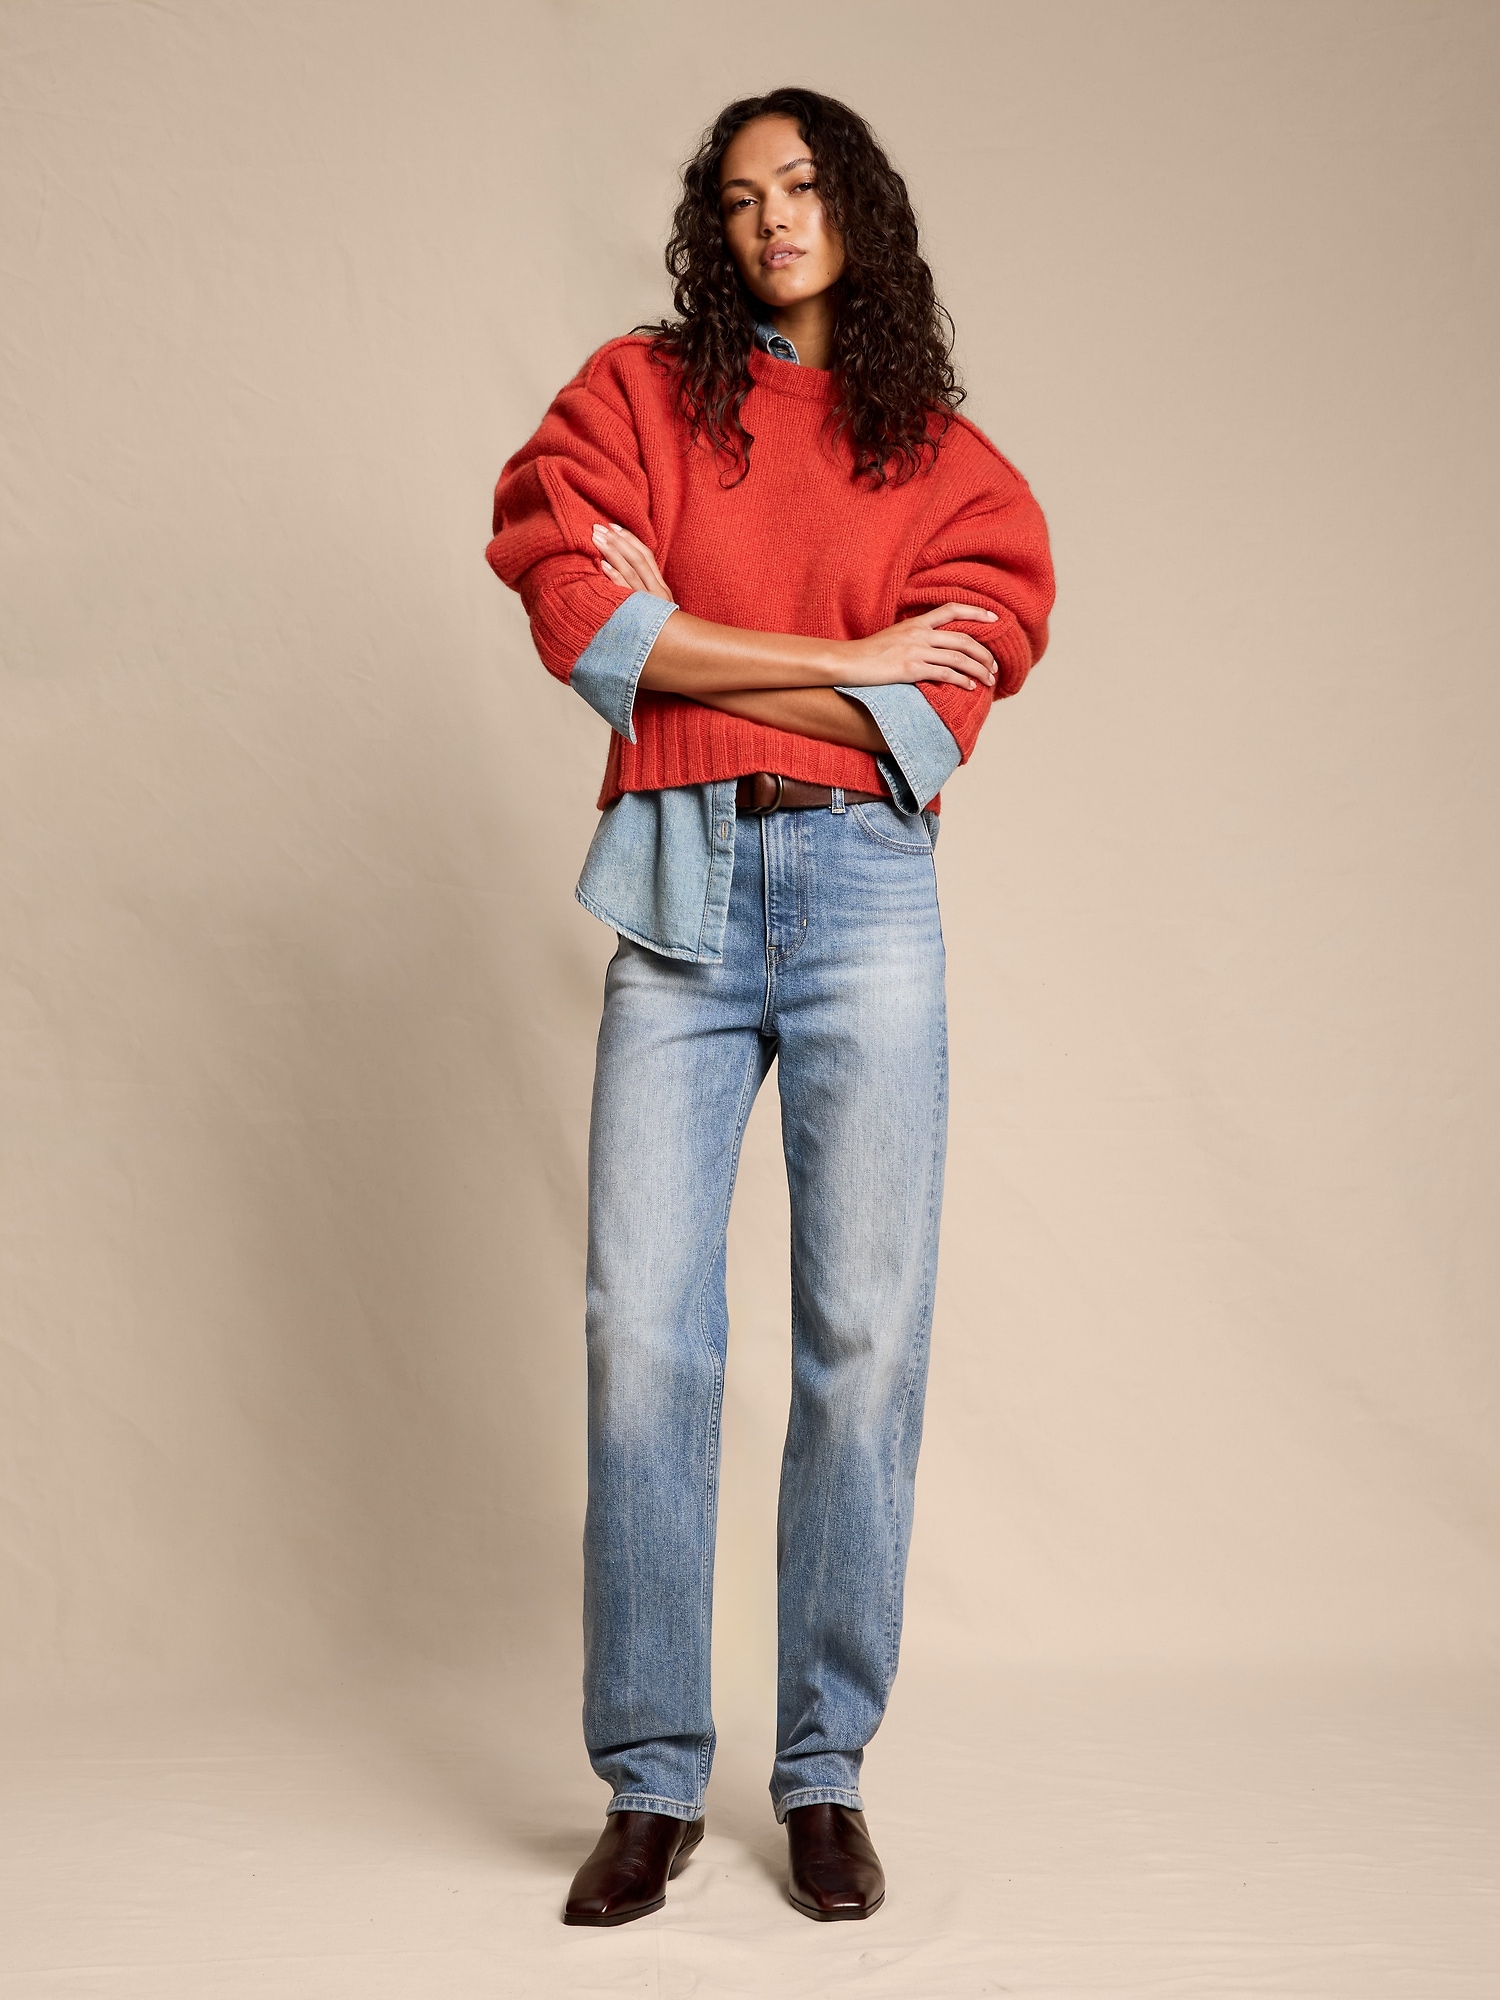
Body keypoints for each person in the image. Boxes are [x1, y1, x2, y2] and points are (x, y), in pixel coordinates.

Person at [486, 86, 1054, 1926]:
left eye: (804, 187)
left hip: (865, 897)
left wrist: (695, 655)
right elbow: (578, 616)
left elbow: (928, 721)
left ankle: (823, 1775)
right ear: (707, 231)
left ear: (858, 210)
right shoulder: (636, 399)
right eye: (739, 198)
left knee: (863, 1339)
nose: (774, 220)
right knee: (642, 1330)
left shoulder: (951, 469)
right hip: (679, 883)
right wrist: (842, 658)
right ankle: (650, 1781)